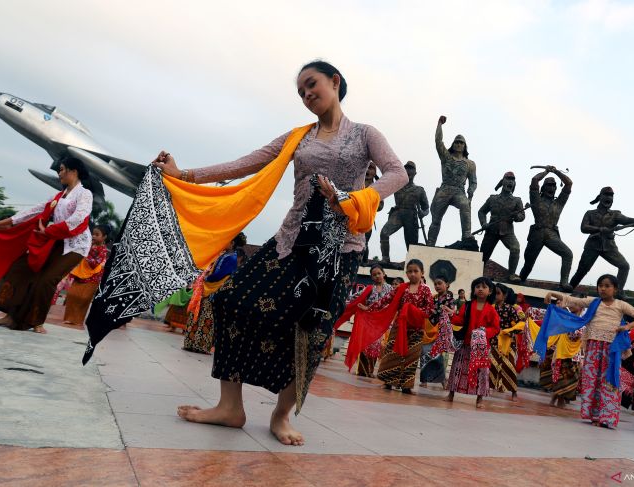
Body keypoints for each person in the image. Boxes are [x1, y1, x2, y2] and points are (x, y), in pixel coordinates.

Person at [152, 61, 407, 446]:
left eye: (312, 85)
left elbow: (397, 173)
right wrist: (182, 174)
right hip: (289, 241)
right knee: (231, 301)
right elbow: (246, 162)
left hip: (336, 251)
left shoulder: (364, 134)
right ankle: (230, 407)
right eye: (301, 91)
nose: (307, 95)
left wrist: (351, 200)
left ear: (335, 82)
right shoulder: (298, 137)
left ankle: (280, 415)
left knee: (311, 330)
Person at [0, 158, 93, 334]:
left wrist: (49, 231)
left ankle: (36, 321)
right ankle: (10, 314)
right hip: (54, 240)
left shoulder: (85, 194)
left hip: (76, 245)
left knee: (47, 280)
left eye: (61, 169)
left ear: (73, 171)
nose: (59, 173)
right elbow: (32, 211)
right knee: (21, 268)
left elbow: (78, 219)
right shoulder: (58, 197)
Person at [544, 274, 634, 428]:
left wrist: (627, 327)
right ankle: (593, 415)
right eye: (600, 285)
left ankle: (606, 418)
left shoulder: (621, 305)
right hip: (593, 347)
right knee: (591, 380)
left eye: (607, 286)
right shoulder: (593, 302)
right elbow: (574, 300)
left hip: (611, 349)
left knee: (608, 382)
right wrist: (553, 294)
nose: (603, 288)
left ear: (615, 289)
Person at [369, 259, 434, 393]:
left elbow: (429, 310)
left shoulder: (426, 290)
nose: (412, 274)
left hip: (416, 329)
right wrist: (369, 308)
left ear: (422, 273)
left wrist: (412, 310)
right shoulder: (402, 288)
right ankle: (387, 382)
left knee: (411, 357)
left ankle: (406, 386)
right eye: (409, 271)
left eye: (416, 271)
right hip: (399, 327)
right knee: (392, 354)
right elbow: (386, 299)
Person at [569, 187, 634, 293]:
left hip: (609, 246)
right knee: (582, 271)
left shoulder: (615, 214)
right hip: (592, 245)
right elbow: (584, 228)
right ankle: (569, 288)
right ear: (600, 197)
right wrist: (600, 229)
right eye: (606, 195)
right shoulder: (590, 213)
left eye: (611, 196)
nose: (609, 198)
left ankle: (618, 292)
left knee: (624, 266)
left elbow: (627, 220)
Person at [183, 233, 246, 353]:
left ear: (232, 243)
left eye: (227, 240)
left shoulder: (231, 258)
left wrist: (206, 278)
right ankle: (190, 343)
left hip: (214, 292)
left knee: (207, 319)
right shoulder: (223, 255)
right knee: (198, 316)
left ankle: (200, 346)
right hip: (206, 289)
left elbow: (220, 275)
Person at [446, 277, 500, 408]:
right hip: (465, 343)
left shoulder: (492, 310)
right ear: (474, 290)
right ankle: (451, 394)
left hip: (481, 346)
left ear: (490, 291)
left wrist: (484, 332)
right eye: (477, 287)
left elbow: (496, 328)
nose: (480, 289)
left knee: (481, 373)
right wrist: (451, 314)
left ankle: (480, 399)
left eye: (484, 287)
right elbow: (460, 320)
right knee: (457, 369)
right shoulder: (468, 305)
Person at [518, 166, 573, 290]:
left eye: (553, 186)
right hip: (537, 234)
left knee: (568, 254)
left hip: (551, 234)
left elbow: (568, 183)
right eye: (548, 185)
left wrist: (556, 171)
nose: (551, 188)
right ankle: (520, 280)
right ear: (543, 188)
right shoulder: (536, 199)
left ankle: (564, 283)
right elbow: (534, 180)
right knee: (528, 264)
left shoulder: (559, 202)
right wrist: (546, 171)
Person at [426, 115, 477, 246]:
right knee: (436, 219)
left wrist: (471, 189)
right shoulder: (446, 157)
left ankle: (466, 234)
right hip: (445, 189)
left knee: (465, 205)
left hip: (459, 191)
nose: (458, 144)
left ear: (465, 146)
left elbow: (473, 181)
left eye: (461, 143)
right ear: (453, 144)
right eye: (456, 142)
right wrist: (439, 125)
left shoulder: (470, 164)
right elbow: (438, 142)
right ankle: (431, 243)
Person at [477, 172, 525, 282]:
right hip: (491, 230)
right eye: (508, 179)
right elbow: (481, 211)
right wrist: (483, 223)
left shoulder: (517, 201)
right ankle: (478, 273)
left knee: (515, 248)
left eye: (512, 180)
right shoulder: (492, 199)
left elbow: (522, 216)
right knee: (483, 256)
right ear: (502, 181)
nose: (510, 182)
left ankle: (511, 274)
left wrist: (516, 216)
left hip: (507, 231)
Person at [379, 161, 428, 262]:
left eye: (411, 169)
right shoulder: (397, 185)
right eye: (406, 168)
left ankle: (412, 263)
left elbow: (426, 208)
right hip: (398, 213)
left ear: (415, 173)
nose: (408, 171)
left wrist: (423, 213)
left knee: (411, 246)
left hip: (411, 216)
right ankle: (385, 259)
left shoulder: (419, 190)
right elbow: (383, 188)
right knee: (384, 233)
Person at [539, 302, 584, 408]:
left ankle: (557, 398)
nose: (571, 305)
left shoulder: (583, 322)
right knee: (560, 376)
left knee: (569, 377)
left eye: (574, 303)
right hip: (561, 352)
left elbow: (582, 338)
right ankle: (557, 399)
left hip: (575, 354)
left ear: (581, 307)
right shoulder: (564, 317)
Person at [62, 225, 109, 325]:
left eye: (97, 234)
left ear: (104, 237)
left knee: (83, 299)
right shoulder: (88, 244)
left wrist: (86, 253)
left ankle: (78, 320)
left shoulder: (103, 250)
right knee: (71, 295)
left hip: (93, 278)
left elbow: (95, 264)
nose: (94, 236)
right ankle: (69, 318)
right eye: (93, 234)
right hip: (80, 274)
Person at [489, 283, 524, 401]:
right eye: (495, 293)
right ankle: (489, 388)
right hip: (494, 341)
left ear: (505, 295)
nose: (496, 295)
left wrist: (510, 331)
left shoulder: (510, 308)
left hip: (508, 343)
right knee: (492, 365)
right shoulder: (491, 308)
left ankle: (514, 391)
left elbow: (521, 324)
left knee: (509, 367)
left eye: (498, 293)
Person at [420, 275, 454, 388]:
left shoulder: (450, 300)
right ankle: (424, 380)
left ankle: (443, 380)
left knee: (437, 357)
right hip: (428, 330)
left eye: (440, 283)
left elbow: (450, 314)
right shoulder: (433, 298)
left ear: (447, 284)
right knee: (424, 354)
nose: (437, 286)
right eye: (435, 284)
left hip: (440, 332)